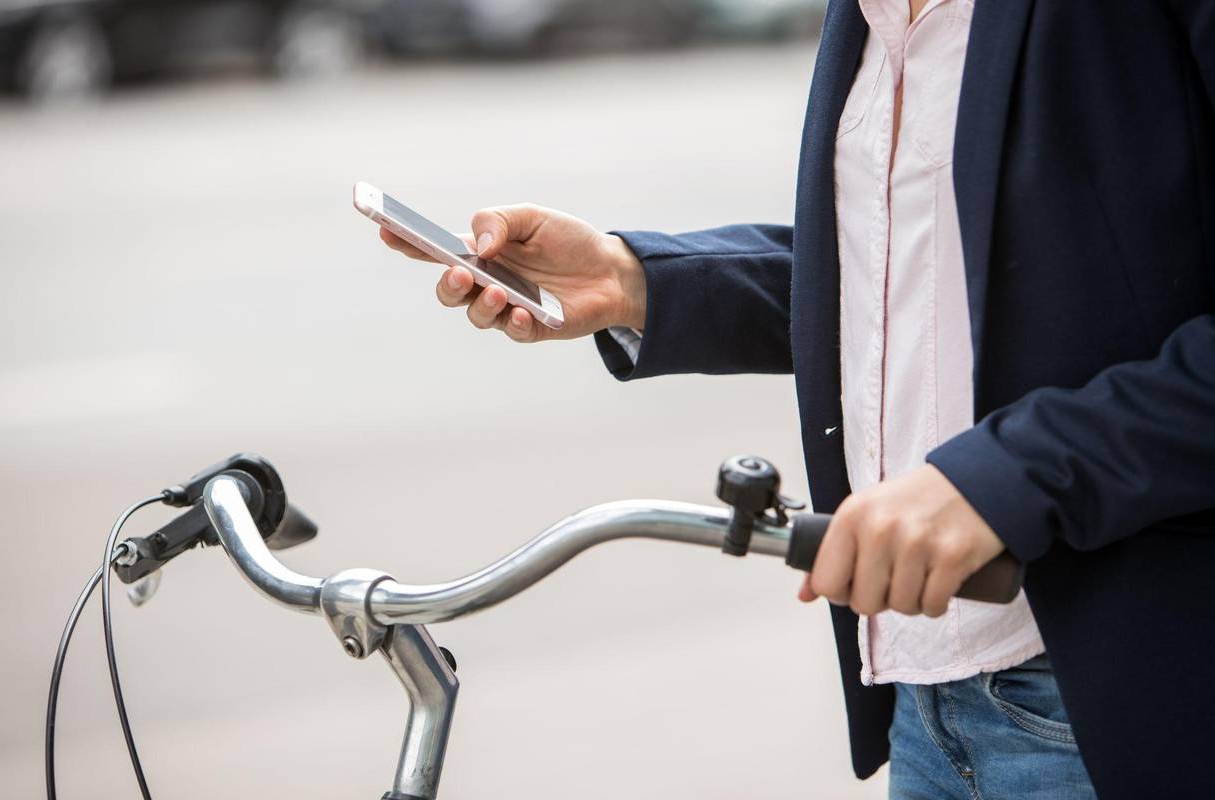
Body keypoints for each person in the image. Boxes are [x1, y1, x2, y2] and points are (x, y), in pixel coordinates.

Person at [382, 1, 1215, 798]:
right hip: (926, 709)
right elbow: (909, 276)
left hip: (1117, 704)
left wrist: (1010, 476)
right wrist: (634, 280)